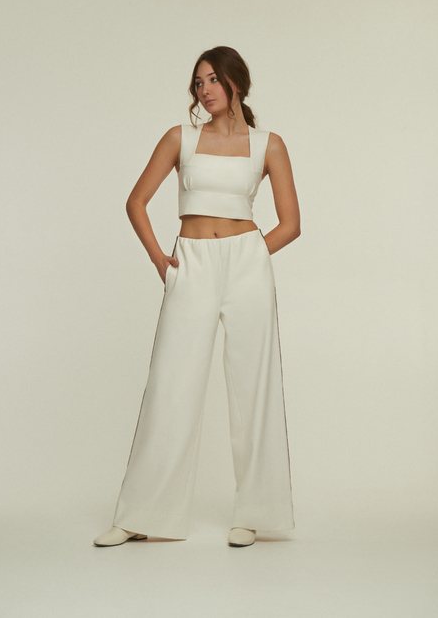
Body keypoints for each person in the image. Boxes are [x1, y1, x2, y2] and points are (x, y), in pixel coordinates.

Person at [93, 46, 301, 548]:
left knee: (254, 385)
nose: (204, 90)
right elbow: (136, 202)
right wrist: (159, 259)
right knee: (171, 382)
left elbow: (291, 224)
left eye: (212, 79)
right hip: (191, 262)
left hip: (246, 264)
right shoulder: (179, 138)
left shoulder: (268, 145)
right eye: (198, 82)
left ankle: (253, 513)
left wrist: (249, 253)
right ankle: (142, 514)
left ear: (236, 83)